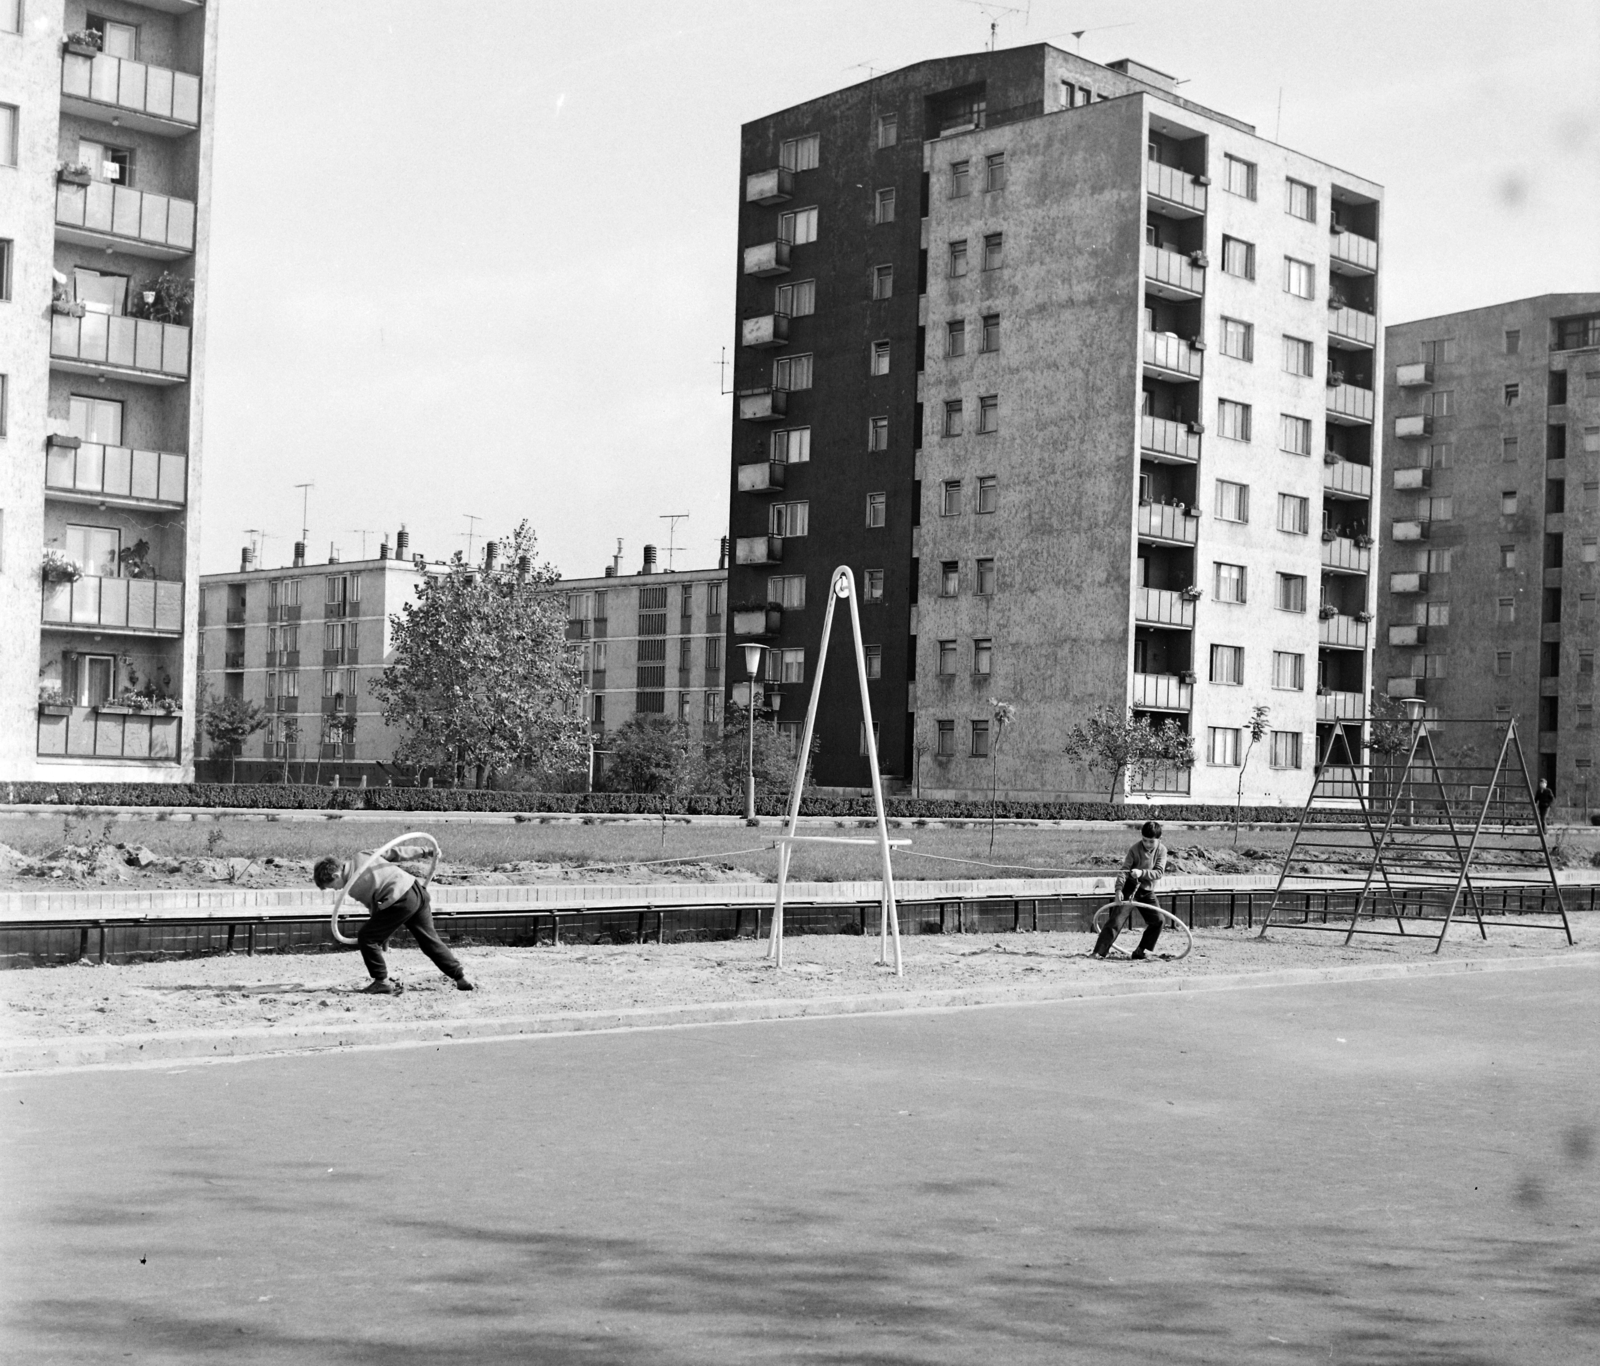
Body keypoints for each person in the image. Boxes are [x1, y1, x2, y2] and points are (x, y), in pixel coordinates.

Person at [314, 848, 474, 995]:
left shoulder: (354, 887)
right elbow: (394, 852)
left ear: (335, 876)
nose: (336, 890)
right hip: (416, 889)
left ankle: (381, 981)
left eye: (332, 886)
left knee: (366, 937)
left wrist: (381, 938)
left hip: (400, 901)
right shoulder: (362, 856)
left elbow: (376, 911)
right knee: (429, 940)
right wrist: (425, 851)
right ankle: (460, 976)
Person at [1092, 820, 1168, 960]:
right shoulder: (1134, 849)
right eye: (1144, 840)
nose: (1147, 844)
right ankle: (1099, 952)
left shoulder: (1162, 851)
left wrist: (1141, 873)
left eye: (1151, 841)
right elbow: (1124, 871)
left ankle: (1141, 951)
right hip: (1130, 888)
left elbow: (1159, 873)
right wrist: (1118, 890)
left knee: (1158, 920)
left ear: (1159, 839)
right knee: (1116, 920)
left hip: (1147, 891)